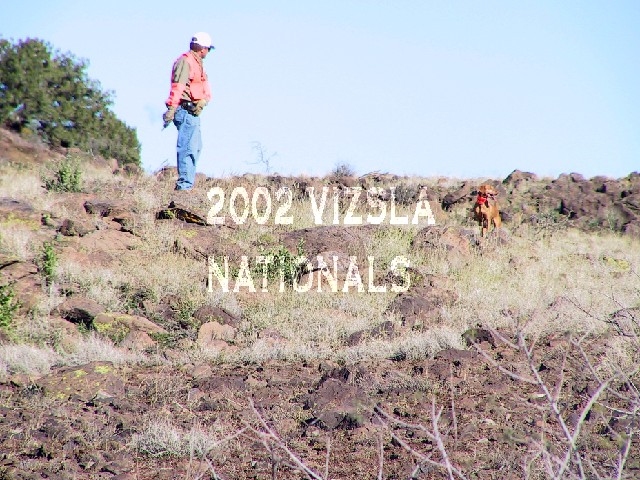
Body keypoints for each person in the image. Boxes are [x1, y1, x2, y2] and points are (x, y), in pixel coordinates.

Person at [163, 32, 214, 191]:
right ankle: (184, 188)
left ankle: (186, 184)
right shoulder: (186, 61)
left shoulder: (197, 63)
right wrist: (172, 108)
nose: (208, 52)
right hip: (185, 110)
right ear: (202, 48)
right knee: (188, 148)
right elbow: (177, 87)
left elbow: (204, 87)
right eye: (208, 49)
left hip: (193, 113)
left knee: (196, 147)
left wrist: (204, 101)